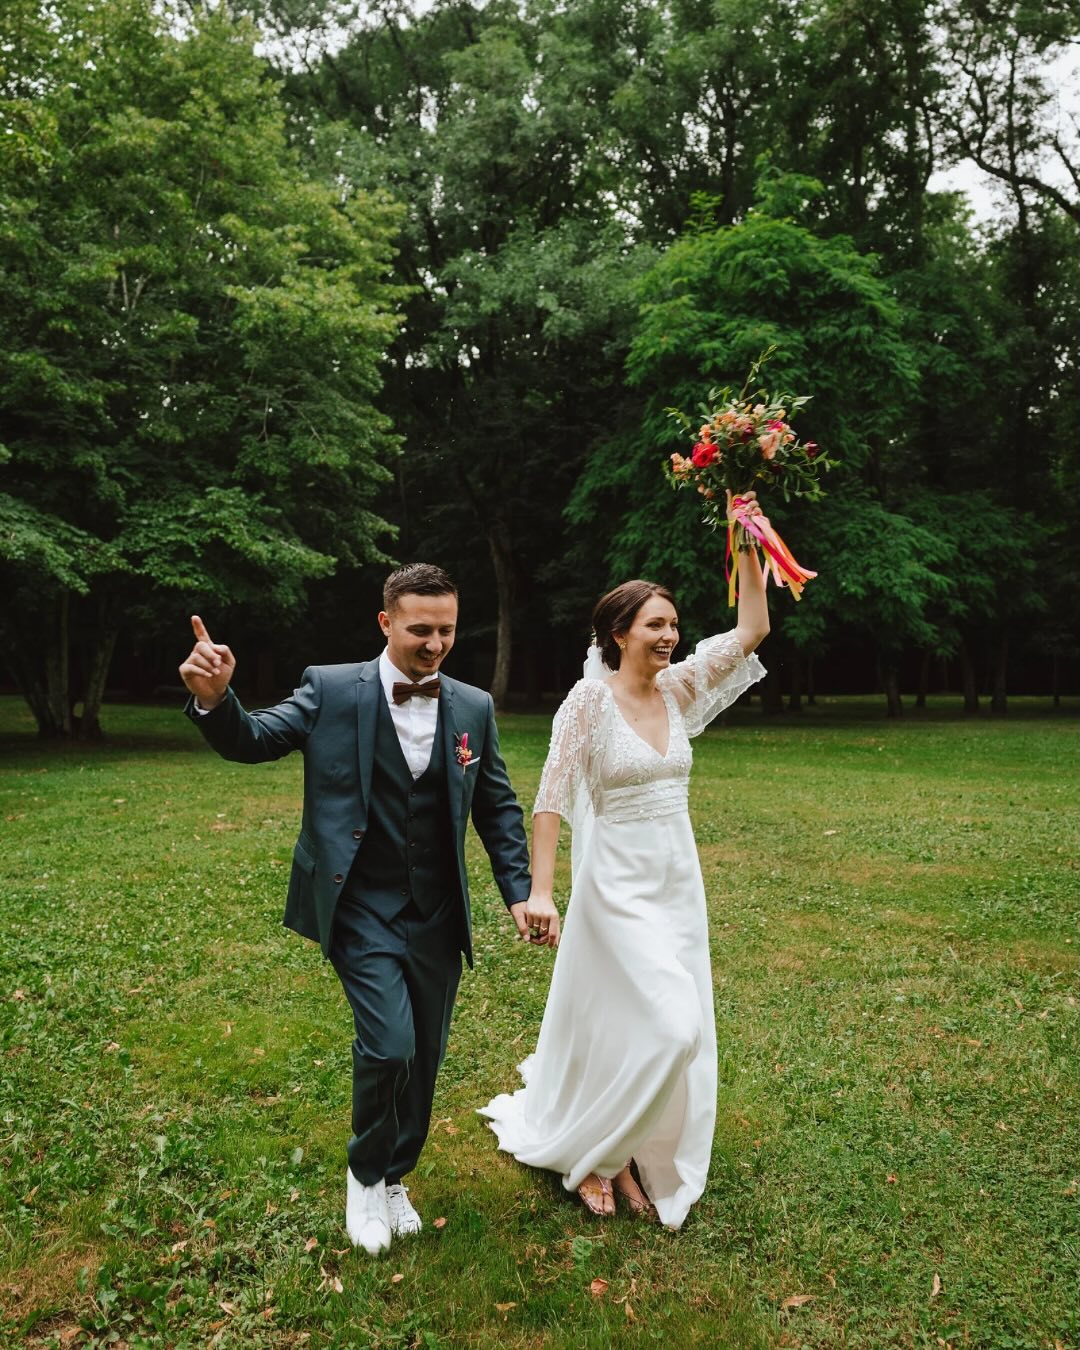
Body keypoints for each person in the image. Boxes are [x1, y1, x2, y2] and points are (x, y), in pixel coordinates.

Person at [179, 563, 544, 1254]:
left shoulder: (472, 707)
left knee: (425, 1057)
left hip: (437, 912)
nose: (435, 644)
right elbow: (256, 740)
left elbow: (497, 807)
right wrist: (217, 702)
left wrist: (519, 892)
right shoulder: (331, 688)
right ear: (386, 623)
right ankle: (364, 1173)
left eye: (447, 630)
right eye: (420, 630)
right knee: (390, 1044)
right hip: (359, 904)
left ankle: (396, 1174)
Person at [478, 491, 769, 1229]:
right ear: (619, 632)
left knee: (657, 1021)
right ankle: (597, 1159)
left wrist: (746, 534)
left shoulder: (676, 690)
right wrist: (541, 890)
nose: (671, 636)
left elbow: (754, 626)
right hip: (616, 884)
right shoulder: (588, 701)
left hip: (678, 878)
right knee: (672, 1026)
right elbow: (549, 798)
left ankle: (636, 1147)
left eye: (674, 624)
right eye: (657, 625)